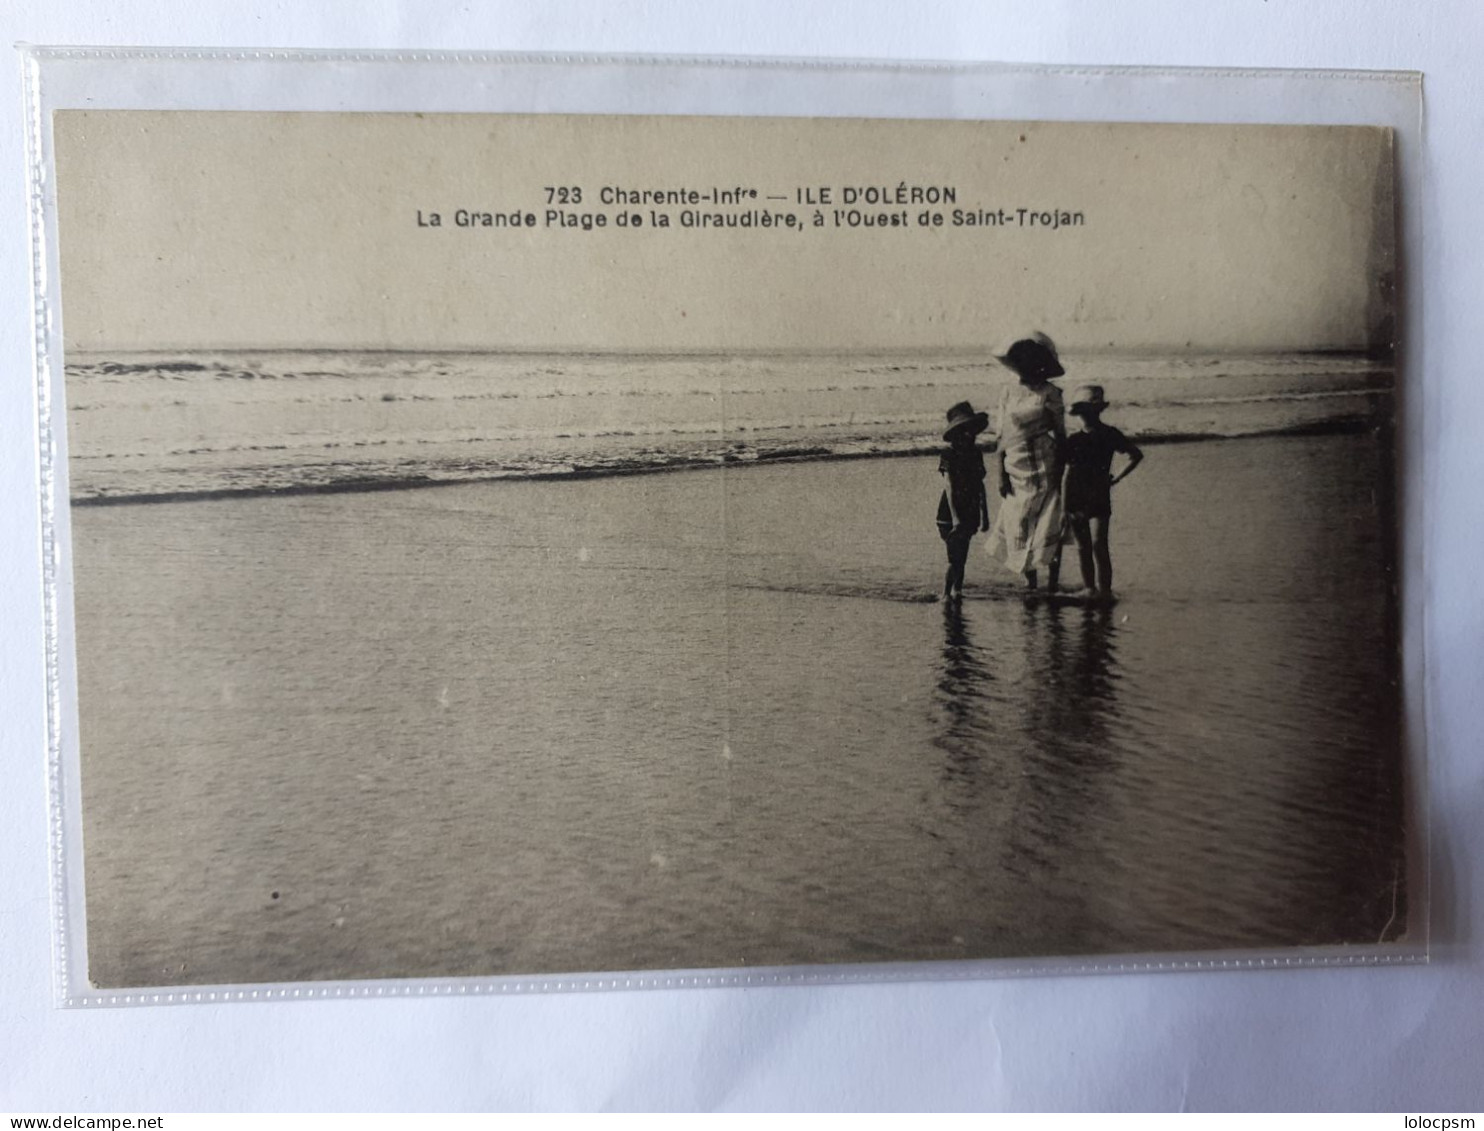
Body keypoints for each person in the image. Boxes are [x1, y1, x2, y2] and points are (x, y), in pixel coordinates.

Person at [984, 332, 1067, 592]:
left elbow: (1061, 435)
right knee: (1018, 520)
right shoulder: (1008, 391)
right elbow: (1001, 434)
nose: (1026, 363)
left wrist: (1061, 473)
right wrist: (1000, 474)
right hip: (1015, 463)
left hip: (1046, 463)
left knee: (1049, 521)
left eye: (1031, 358)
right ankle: (1029, 582)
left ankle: (1052, 583)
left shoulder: (1051, 392)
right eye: (1021, 358)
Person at [1062, 384, 1143, 599]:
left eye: (1087, 410)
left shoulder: (1108, 434)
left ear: (1096, 411)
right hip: (1079, 495)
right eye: (1083, 411)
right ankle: (1091, 589)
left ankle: (1102, 590)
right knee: (1088, 546)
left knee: (1096, 545)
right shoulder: (1076, 439)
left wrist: (1117, 478)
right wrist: (1063, 506)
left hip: (1095, 494)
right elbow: (1066, 475)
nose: (1085, 415)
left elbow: (1136, 455)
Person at [936, 401, 991, 601]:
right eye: (965, 430)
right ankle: (946, 594)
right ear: (957, 433)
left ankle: (957, 592)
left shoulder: (976, 453)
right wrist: (956, 518)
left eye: (971, 430)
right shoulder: (949, 454)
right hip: (949, 513)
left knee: (962, 556)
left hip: (970, 509)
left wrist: (985, 514)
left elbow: (980, 485)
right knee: (955, 557)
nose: (970, 435)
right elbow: (949, 486)